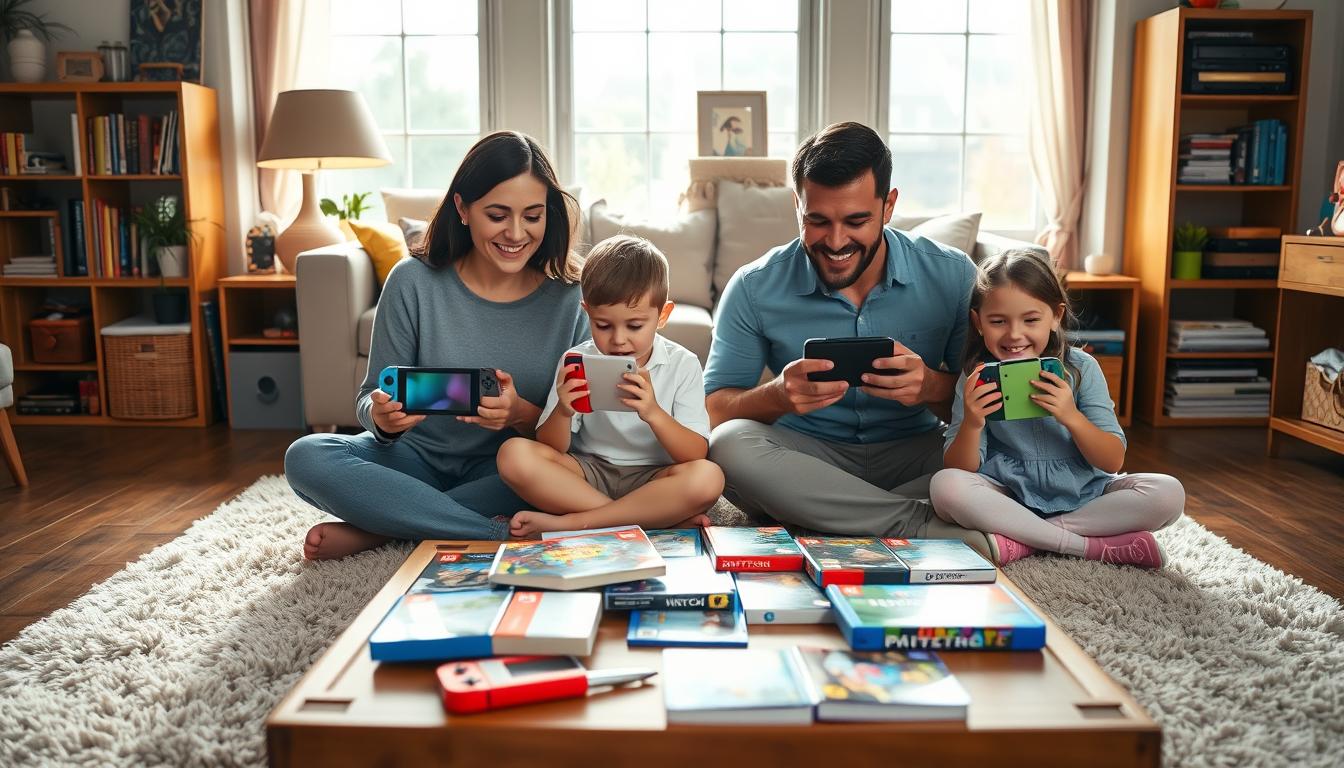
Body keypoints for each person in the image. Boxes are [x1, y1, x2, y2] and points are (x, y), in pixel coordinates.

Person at [284, 131, 589, 560]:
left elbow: (580, 435)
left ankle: (384, 527)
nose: (516, 233)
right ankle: (487, 531)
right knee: (307, 457)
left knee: (571, 477)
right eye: (498, 215)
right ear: (463, 208)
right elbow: (368, 398)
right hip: (413, 462)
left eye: (533, 216)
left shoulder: (572, 298)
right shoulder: (412, 281)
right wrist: (384, 418)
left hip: (507, 471)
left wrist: (519, 413)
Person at [704, 121, 986, 550]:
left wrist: (929, 386)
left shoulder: (953, 275)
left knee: (1000, 448)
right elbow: (716, 411)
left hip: (917, 451)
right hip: (807, 456)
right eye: (817, 221)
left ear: (888, 206)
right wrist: (777, 395)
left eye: (856, 221)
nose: (836, 242)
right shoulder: (753, 286)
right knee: (727, 446)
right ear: (796, 206)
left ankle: (831, 514)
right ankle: (918, 522)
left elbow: (989, 399)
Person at [929, 248, 1184, 567]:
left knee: (1169, 493)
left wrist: (1070, 417)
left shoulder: (1082, 368)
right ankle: (1084, 547)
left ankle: (1025, 539)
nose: (1014, 334)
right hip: (1010, 496)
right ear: (978, 323)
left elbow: (1111, 459)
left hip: (1085, 495)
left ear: (1056, 317)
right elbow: (960, 467)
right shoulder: (975, 375)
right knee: (944, 487)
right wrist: (972, 423)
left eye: (1031, 319)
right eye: (998, 321)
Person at [497, 235, 724, 537]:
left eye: (634, 326)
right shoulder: (575, 359)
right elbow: (551, 448)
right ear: (586, 311)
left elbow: (695, 453)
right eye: (603, 325)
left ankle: (573, 524)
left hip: (654, 479)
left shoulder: (683, 364)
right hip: (588, 472)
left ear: (663, 316)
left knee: (708, 477)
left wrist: (653, 413)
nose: (618, 340)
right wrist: (563, 411)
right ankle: (645, 521)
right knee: (513, 454)